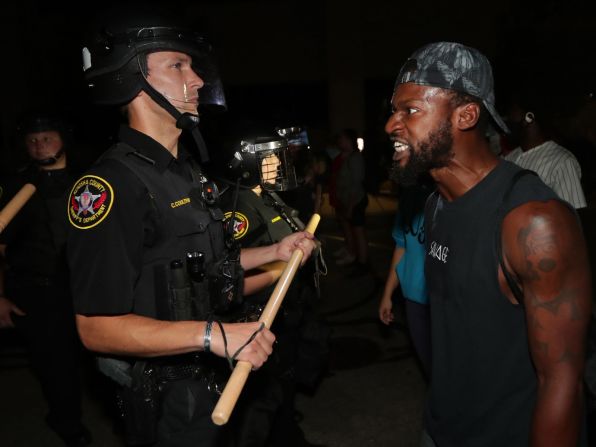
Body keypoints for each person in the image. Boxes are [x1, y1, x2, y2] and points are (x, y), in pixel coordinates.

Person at [67, 7, 315, 447]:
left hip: (215, 370)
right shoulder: (110, 185)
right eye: (177, 65)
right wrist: (211, 335)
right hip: (168, 395)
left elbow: (208, 263)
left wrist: (274, 252)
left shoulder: (186, 172)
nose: (197, 79)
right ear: (132, 79)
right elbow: (95, 327)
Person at [385, 41, 591, 446]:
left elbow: (562, 382)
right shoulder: (435, 205)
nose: (391, 124)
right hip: (440, 428)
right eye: (393, 111)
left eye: (410, 110)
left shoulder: (535, 223)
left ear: (466, 115)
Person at [216, 128, 329, 447]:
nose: (278, 164)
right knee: (261, 404)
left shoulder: (265, 195)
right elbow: (231, 280)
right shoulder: (239, 208)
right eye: (269, 159)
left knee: (285, 388)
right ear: (246, 164)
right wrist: (283, 270)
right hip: (260, 315)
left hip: (289, 313)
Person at [0, 111, 92, 447]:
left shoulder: (90, 179)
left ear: (63, 138)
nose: (40, 146)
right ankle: (67, 425)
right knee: (55, 367)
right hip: (39, 292)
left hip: (87, 287)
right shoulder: (16, 185)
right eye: (33, 141)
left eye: (47, 138)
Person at [378, 181, 432, 379]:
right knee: (429, 368)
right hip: (413, 299)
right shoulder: (410, 196)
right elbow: (401, 246)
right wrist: (387, 294)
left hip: (443, 299)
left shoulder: (447, 195)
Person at [503, 87, 587, 209]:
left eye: (512, 112)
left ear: (529, 117)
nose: (507, 118)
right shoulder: (509, 158)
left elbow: (572, 218)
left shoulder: (562, 162)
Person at [327, 128, 369, 272]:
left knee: (358, 233)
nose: (340, 141)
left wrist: (350, 206)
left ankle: (362, 263)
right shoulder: (346, 156)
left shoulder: (355, 158)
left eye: (343, 138)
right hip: (349, 201)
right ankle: (356, 257)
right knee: (353, 231)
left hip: (356, 201)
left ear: (350, 140)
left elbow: (355, 185)